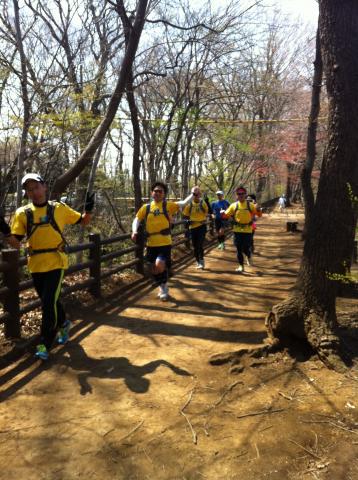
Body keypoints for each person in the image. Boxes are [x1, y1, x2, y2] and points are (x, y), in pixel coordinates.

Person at [0, 173, 94, 360]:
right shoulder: (22, 213)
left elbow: (83, 221)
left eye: (36, 187)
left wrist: (89, 210)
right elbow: (16, 243)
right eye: (29, 189)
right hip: (35, 264)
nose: (33, 192)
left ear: (44, 187)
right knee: (49, 301)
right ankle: (64, 324)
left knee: (49, 301)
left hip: (56, 261)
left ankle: (44, 343)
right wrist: (3, 228)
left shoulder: (59, 208)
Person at [131, 182, 193, 301]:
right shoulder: (146, 207)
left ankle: (164, 288)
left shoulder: (168, 205)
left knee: (159, 264)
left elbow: (184, 203)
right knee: (153, 269)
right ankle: (162, 285)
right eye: (156, 191)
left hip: (164, 242)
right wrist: (134, 231)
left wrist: (193, 194)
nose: (158, 193)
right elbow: (137, 219)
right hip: (151, 243)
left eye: (160, 191)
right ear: (152, 193)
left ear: (164, 194)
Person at [221, 186, 262, 273]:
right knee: (239, 248)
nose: (241, 195)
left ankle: (248, 255)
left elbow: (259, 215)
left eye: (242, 194)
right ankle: (241, 266)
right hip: (237, 230)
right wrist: (222, 213)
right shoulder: (233, 205)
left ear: (245, 194)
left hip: (248, 230)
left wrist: (258, 210)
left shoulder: (250, 205)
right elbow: (225, 216)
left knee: (246, 247)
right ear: (237, 195)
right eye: (239, 194)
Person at [182, 186, 210, 269]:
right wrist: (188, 221)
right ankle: (198, 261)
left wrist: (204, 219)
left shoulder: (203, 203)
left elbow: (207, 213)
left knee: (199, 244)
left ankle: (201, 261)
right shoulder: (189, 204)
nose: (195, 195)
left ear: (199, 194)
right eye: (193, 193)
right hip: (192, 228)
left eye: (197, 193)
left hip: (201, 227)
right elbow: (185, 216)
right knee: (194, 246)